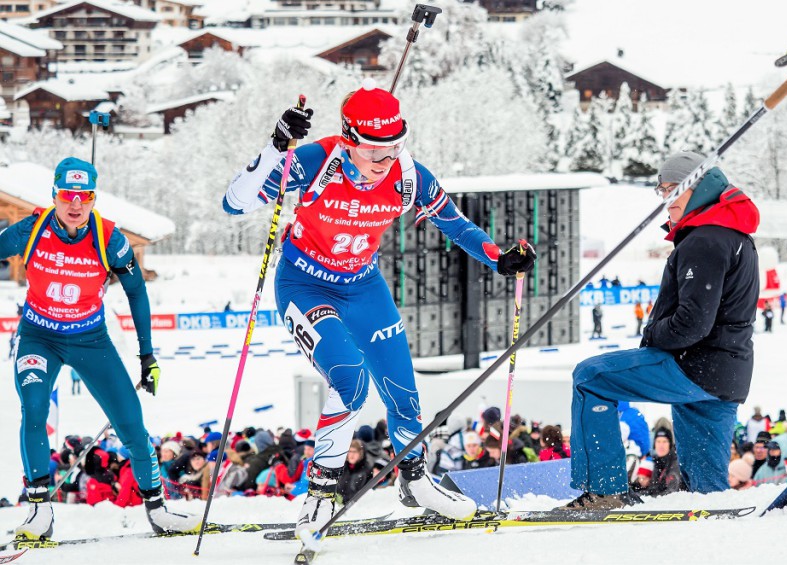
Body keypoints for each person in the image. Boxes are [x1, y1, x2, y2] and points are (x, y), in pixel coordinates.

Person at [223, 80, 536, 533]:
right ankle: (322, 494)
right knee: (350, 380)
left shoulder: (408, 176)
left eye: (394, 149)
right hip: (306, 286)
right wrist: (276, 148)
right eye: (373, 152)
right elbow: (234, 203)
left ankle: (414, 479)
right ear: (349, 141)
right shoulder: (315, 161)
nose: (384, 162)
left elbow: (455, 223)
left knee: (403, 390)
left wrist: (498, 257)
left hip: (364, 287)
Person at [0, 157, 197, 539]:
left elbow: (137, 292)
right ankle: (40, 511)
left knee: (131, 423)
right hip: (39, 337)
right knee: (35, 409)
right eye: (68, 196)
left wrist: (147, 355)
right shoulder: (31, 229)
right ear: (55, 195)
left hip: (91, 340)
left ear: (94, 198)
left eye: (85, 196)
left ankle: (158, 511)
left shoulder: (109, 238)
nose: (76, 205)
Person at [564, 151, 759, 508]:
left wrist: (652, 336)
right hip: (726, 374)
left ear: (696, 188)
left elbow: (692, 323)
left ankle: (604, 490)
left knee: (590, 377)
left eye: (672, 189)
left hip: (694, 367)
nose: (665, 200)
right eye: (661, 190)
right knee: (708, 494)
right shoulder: (733, 236)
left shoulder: (706, 239)